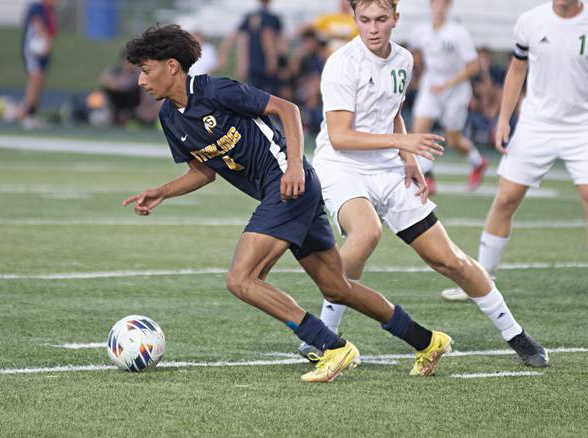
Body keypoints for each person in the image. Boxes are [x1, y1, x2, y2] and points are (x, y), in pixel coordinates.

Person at [121, 24, 451, 382]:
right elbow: (203, 171)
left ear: (172, 66)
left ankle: (332, 347)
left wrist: (294, 165)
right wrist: (163, 191)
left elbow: (288, 110)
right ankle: (428, 341)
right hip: (289, 192)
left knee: (242, 279)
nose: (141, 81)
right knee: (337, 288)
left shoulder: (215, 89)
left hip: (289, 183)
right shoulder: (170, 117)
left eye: (146, 70)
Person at [300, 0, 548, 368]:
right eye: (364, 20)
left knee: (449, 259)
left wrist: (410, 162)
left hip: (388, 168)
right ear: (354, 20)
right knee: (365, 233)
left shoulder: (404, 59)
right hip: (340, 164)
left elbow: (392, 113)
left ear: (396, 17)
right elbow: (342, 135)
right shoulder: (342, 63)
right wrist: (403, 144)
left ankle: (516, 335)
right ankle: (323, 335)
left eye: (381, 19)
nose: (373, 28)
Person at [440, 0, 588, 312]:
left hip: (582, 124)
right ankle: (480, 281)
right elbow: (516, 72)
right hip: (535, 124)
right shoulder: (530, 21)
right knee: (505, 199)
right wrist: (503, 119)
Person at [409, 0, 488, 194]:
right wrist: (419, 70)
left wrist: (447, 84)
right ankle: (428, 177)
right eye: (435, 4)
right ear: (430, 6)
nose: (439, 9)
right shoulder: (422, 31)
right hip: (431, 87)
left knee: (453, 139)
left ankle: (477, 162)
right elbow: (415, 49)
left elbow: (473, 66)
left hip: (456, 90)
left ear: (448, 7)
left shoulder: (457, 33)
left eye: (443, 5)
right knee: (419, 131)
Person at [219, 0, 283, 95]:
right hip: (265, 64)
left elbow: (235, 36)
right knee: (270, 97)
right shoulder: (272, 17)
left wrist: (224, 53)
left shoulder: (250, 16)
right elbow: (267, 36)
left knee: (253, 96)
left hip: (252, 62)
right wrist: (271, 58)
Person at [19, 0, 59, 129]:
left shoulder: (50, 12)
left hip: (42, 53)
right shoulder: (37, 7)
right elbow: (38, 25)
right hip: (32, 51)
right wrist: (45, 40)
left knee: (39, 82)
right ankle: (25, 114)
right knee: (35, 80)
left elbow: (51, 31)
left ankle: (31, 113)